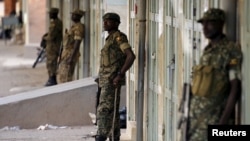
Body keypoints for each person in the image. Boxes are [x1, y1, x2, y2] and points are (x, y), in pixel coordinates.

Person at [187, 8, 242, 141]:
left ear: (221, 24)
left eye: (210, 23)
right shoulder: (208, 50)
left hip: (215, 120)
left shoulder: (230, 50)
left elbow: (235, 87)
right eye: (203, 24)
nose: (205, 27)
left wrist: (222, 124)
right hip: (197, 123)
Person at [95, 12, 136, 141]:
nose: (105, 23)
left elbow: (130, 56)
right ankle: (114, 136)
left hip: (112, 80)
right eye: (104, 21)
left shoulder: (119, 37)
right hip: (105, 80)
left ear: (116, 23)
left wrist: (120, 74)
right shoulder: (110, 38)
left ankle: (101, 136)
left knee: (104, 109)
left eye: (108, 21)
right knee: (111, 110)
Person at [58, 9, 85, 83]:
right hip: (65, 54)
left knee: (66, 77)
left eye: (74, 15)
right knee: (62, 75)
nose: (72, 16)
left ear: (79, 16)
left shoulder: (79, 27)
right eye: (72, 14)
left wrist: (71, 57)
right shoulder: (73, 26)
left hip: (70, 54)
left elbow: (77, 42)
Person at [43, 8, 63, 86]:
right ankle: (51, 78)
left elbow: (51, 36)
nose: (49, 15)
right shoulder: (55, 22)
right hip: (51, 46)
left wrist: (44, 38)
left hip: (53, 47)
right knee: (50, 62)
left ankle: (52, 79)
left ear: (54, 14)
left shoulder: (55, 23)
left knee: (51, 63)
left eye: (51, 14)